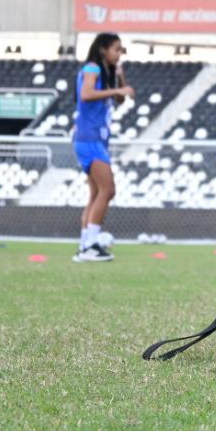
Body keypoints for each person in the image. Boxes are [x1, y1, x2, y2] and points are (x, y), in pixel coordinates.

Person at [72, 32, 134, 263]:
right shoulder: (92, 69)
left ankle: (85, 244)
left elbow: (120, 99)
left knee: (96, 193)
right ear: (103, 50)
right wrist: (117, 90)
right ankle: (90, 245)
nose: (119, 54)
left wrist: (120, 79)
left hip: (95, 140)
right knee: (108, 190)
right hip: (89, 139)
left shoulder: (106, 73)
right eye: (116, 49)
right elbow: (86, 94)